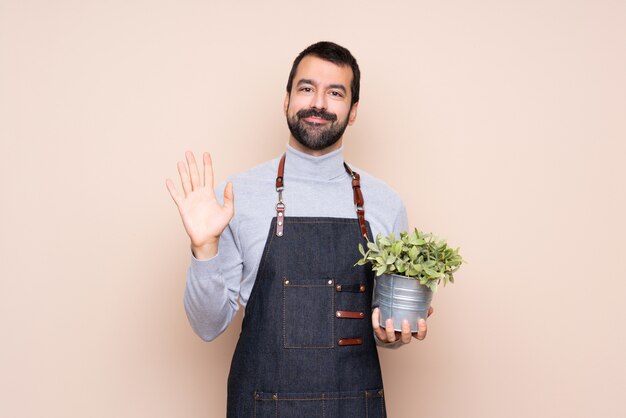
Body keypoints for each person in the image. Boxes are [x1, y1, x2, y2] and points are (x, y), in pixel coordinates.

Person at [166, 41, 433, 418]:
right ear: (287, 99)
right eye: (306, 88)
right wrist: (204, 248)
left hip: (355, 407)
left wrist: (395, 334)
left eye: (335, 93)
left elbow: (383, 324)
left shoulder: (385, 203)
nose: (319, 104)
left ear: (353, 111)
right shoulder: (234, 197)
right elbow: (208, 327)